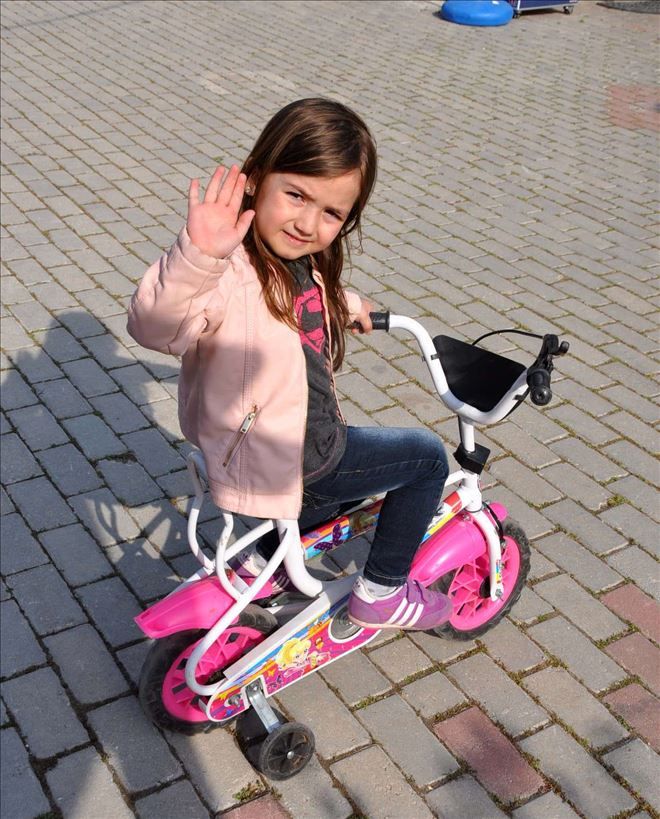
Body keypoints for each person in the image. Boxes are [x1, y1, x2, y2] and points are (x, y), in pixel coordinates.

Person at [127, 98, 451, 631]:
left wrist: (348, 304)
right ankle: (383, 591)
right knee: (426, 459)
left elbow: (298, 301)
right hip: (296, 456)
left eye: (331, 214)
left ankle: (265, 563)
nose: (307, 223)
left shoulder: (290, 260)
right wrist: (197, 256)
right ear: (256, 178)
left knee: (344, 484)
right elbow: (156, 327)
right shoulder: (226, 271)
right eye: (296, 195)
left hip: (285, 449)